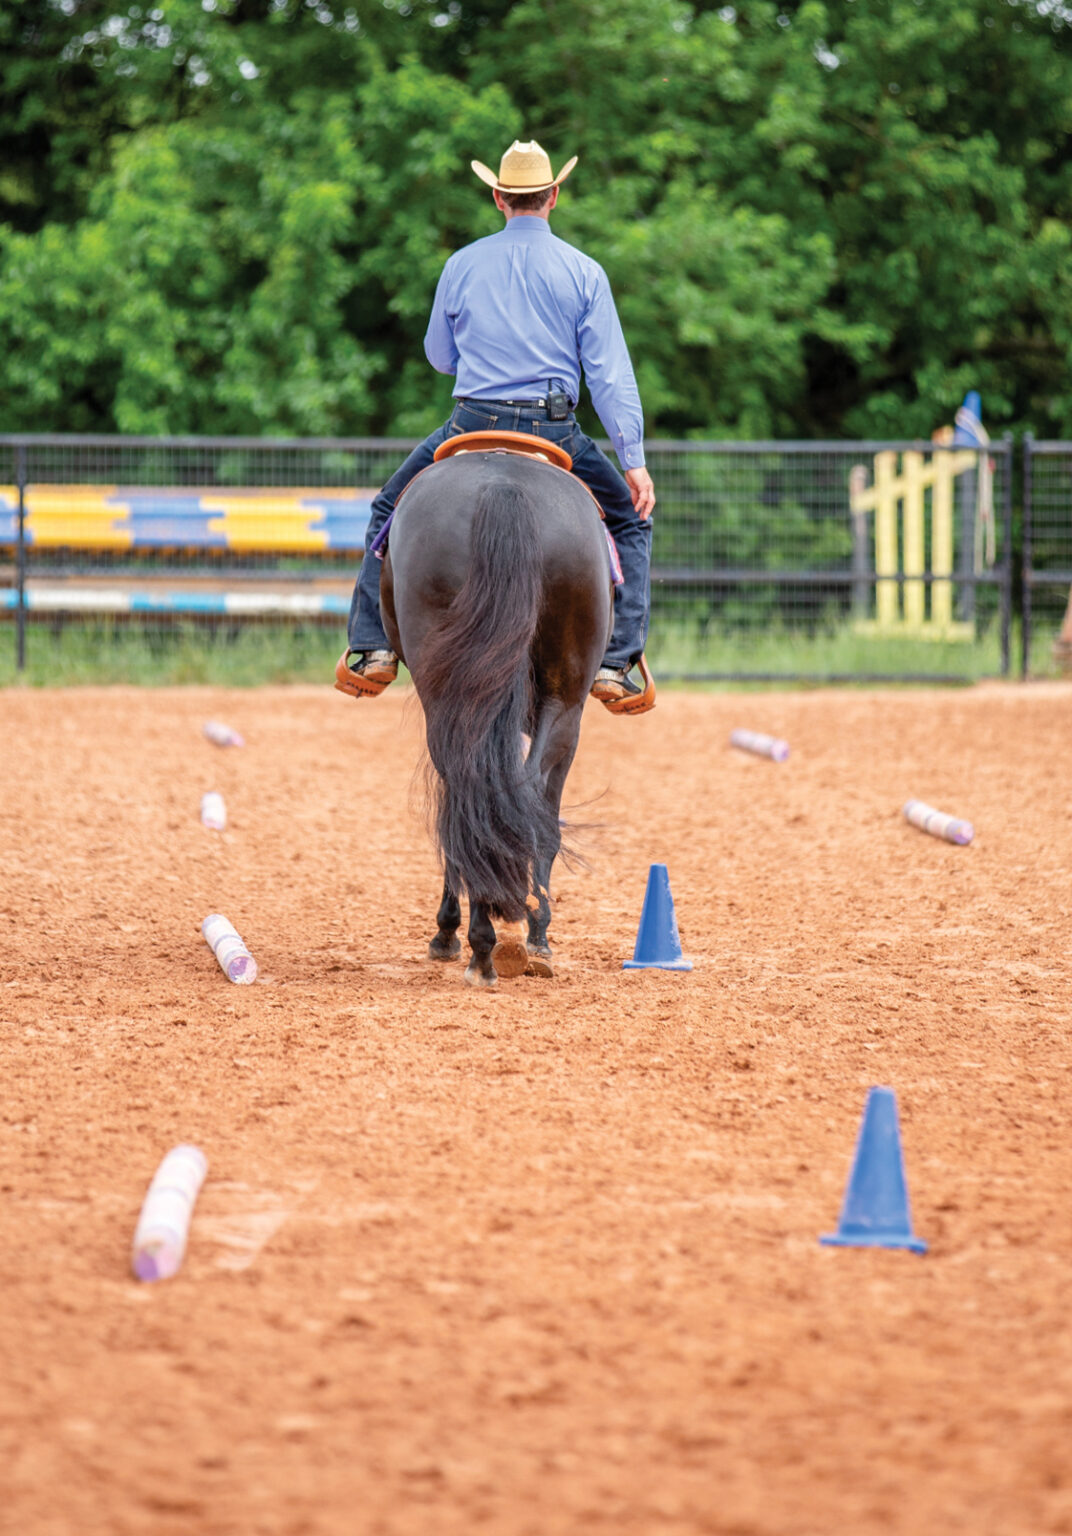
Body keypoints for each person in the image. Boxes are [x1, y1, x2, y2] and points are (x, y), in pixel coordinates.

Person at [339, 138, 655, 707]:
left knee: (388, 508)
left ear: (498, 198)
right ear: (554, 195)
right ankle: (616, 660)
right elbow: (610, 376)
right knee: (630, 522)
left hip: (471, 421)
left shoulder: (461, 264)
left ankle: (373, 647)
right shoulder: (584, 271)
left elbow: (440, 356)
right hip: (555, 430)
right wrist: (633, 461)